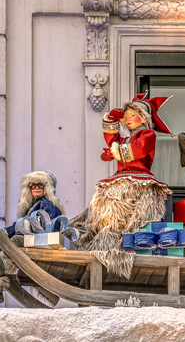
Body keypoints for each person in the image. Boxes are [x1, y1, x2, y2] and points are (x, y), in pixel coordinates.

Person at [73, 93, 172, 278]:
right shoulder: (127, 139)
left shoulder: (148, 134)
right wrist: (111, 120)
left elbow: (138, 150)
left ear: (143, 117)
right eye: (125, 117)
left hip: (139, 179)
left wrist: (115, 151)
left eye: (131, 115)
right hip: (119, 179)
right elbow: (112, 140)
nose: (127, 120)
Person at [0, 171, 66, 303]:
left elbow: (50, 223)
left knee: (16, 240)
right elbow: (15, 226)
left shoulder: (48, 204)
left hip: (40, 242)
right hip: (29, 241)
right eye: (33, 185)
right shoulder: (31, 208)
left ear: (47, 188)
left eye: (40, 185)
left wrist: (31, 224)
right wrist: (0, 234)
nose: (36, 187)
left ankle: (1, 264)